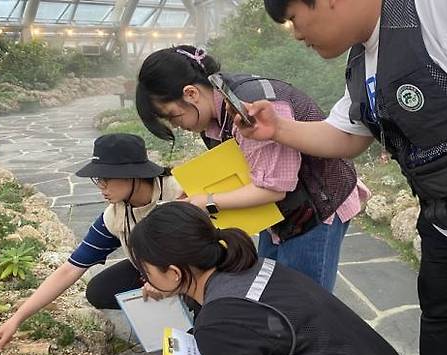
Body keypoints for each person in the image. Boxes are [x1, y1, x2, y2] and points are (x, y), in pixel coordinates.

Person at [236, 0, 447, 355]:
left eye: (294, 17)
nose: (295, 33)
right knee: (442, 320)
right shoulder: (367, 56)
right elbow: (346, 135)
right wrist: (277, 129)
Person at [128, 202, 419, 355]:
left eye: (145, 269)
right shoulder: (249, 267)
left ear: (174, 273)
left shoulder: (220, 325)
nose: (145, 277)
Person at [135, 45, 370, 292]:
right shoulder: (216, 109)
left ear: (191, 93)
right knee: (271, 289)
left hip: (318, 205)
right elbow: (245, 167)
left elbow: (274, 189)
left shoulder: (247, 110)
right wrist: (197, 196)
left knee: (304, 299)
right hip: (281, 213)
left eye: (173, 116)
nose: (178, 126)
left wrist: (207, 202)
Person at [0, 133, 182, 350]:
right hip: (154, 271)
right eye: (98, 179)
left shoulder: (179, 192)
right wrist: (15, 320)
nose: (101, 186)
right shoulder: (115, 216)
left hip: (193, 269)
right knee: (99, 290)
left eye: (106, 178)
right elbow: (69, 270)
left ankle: (192, 313)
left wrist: (168, 280)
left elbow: (210, 248)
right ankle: (164, 313)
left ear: (133, 174)